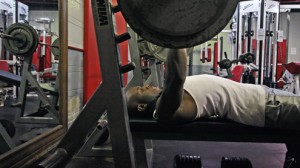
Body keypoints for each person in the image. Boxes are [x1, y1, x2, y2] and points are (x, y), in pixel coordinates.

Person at [126, 48, 300, 168]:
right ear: (141, 107)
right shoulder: (164, 110)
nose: (146, 86)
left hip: (265, 96)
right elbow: (176, 76)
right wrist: (175, 38)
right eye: (141, 90)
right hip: (268, 106)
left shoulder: (166, 102)